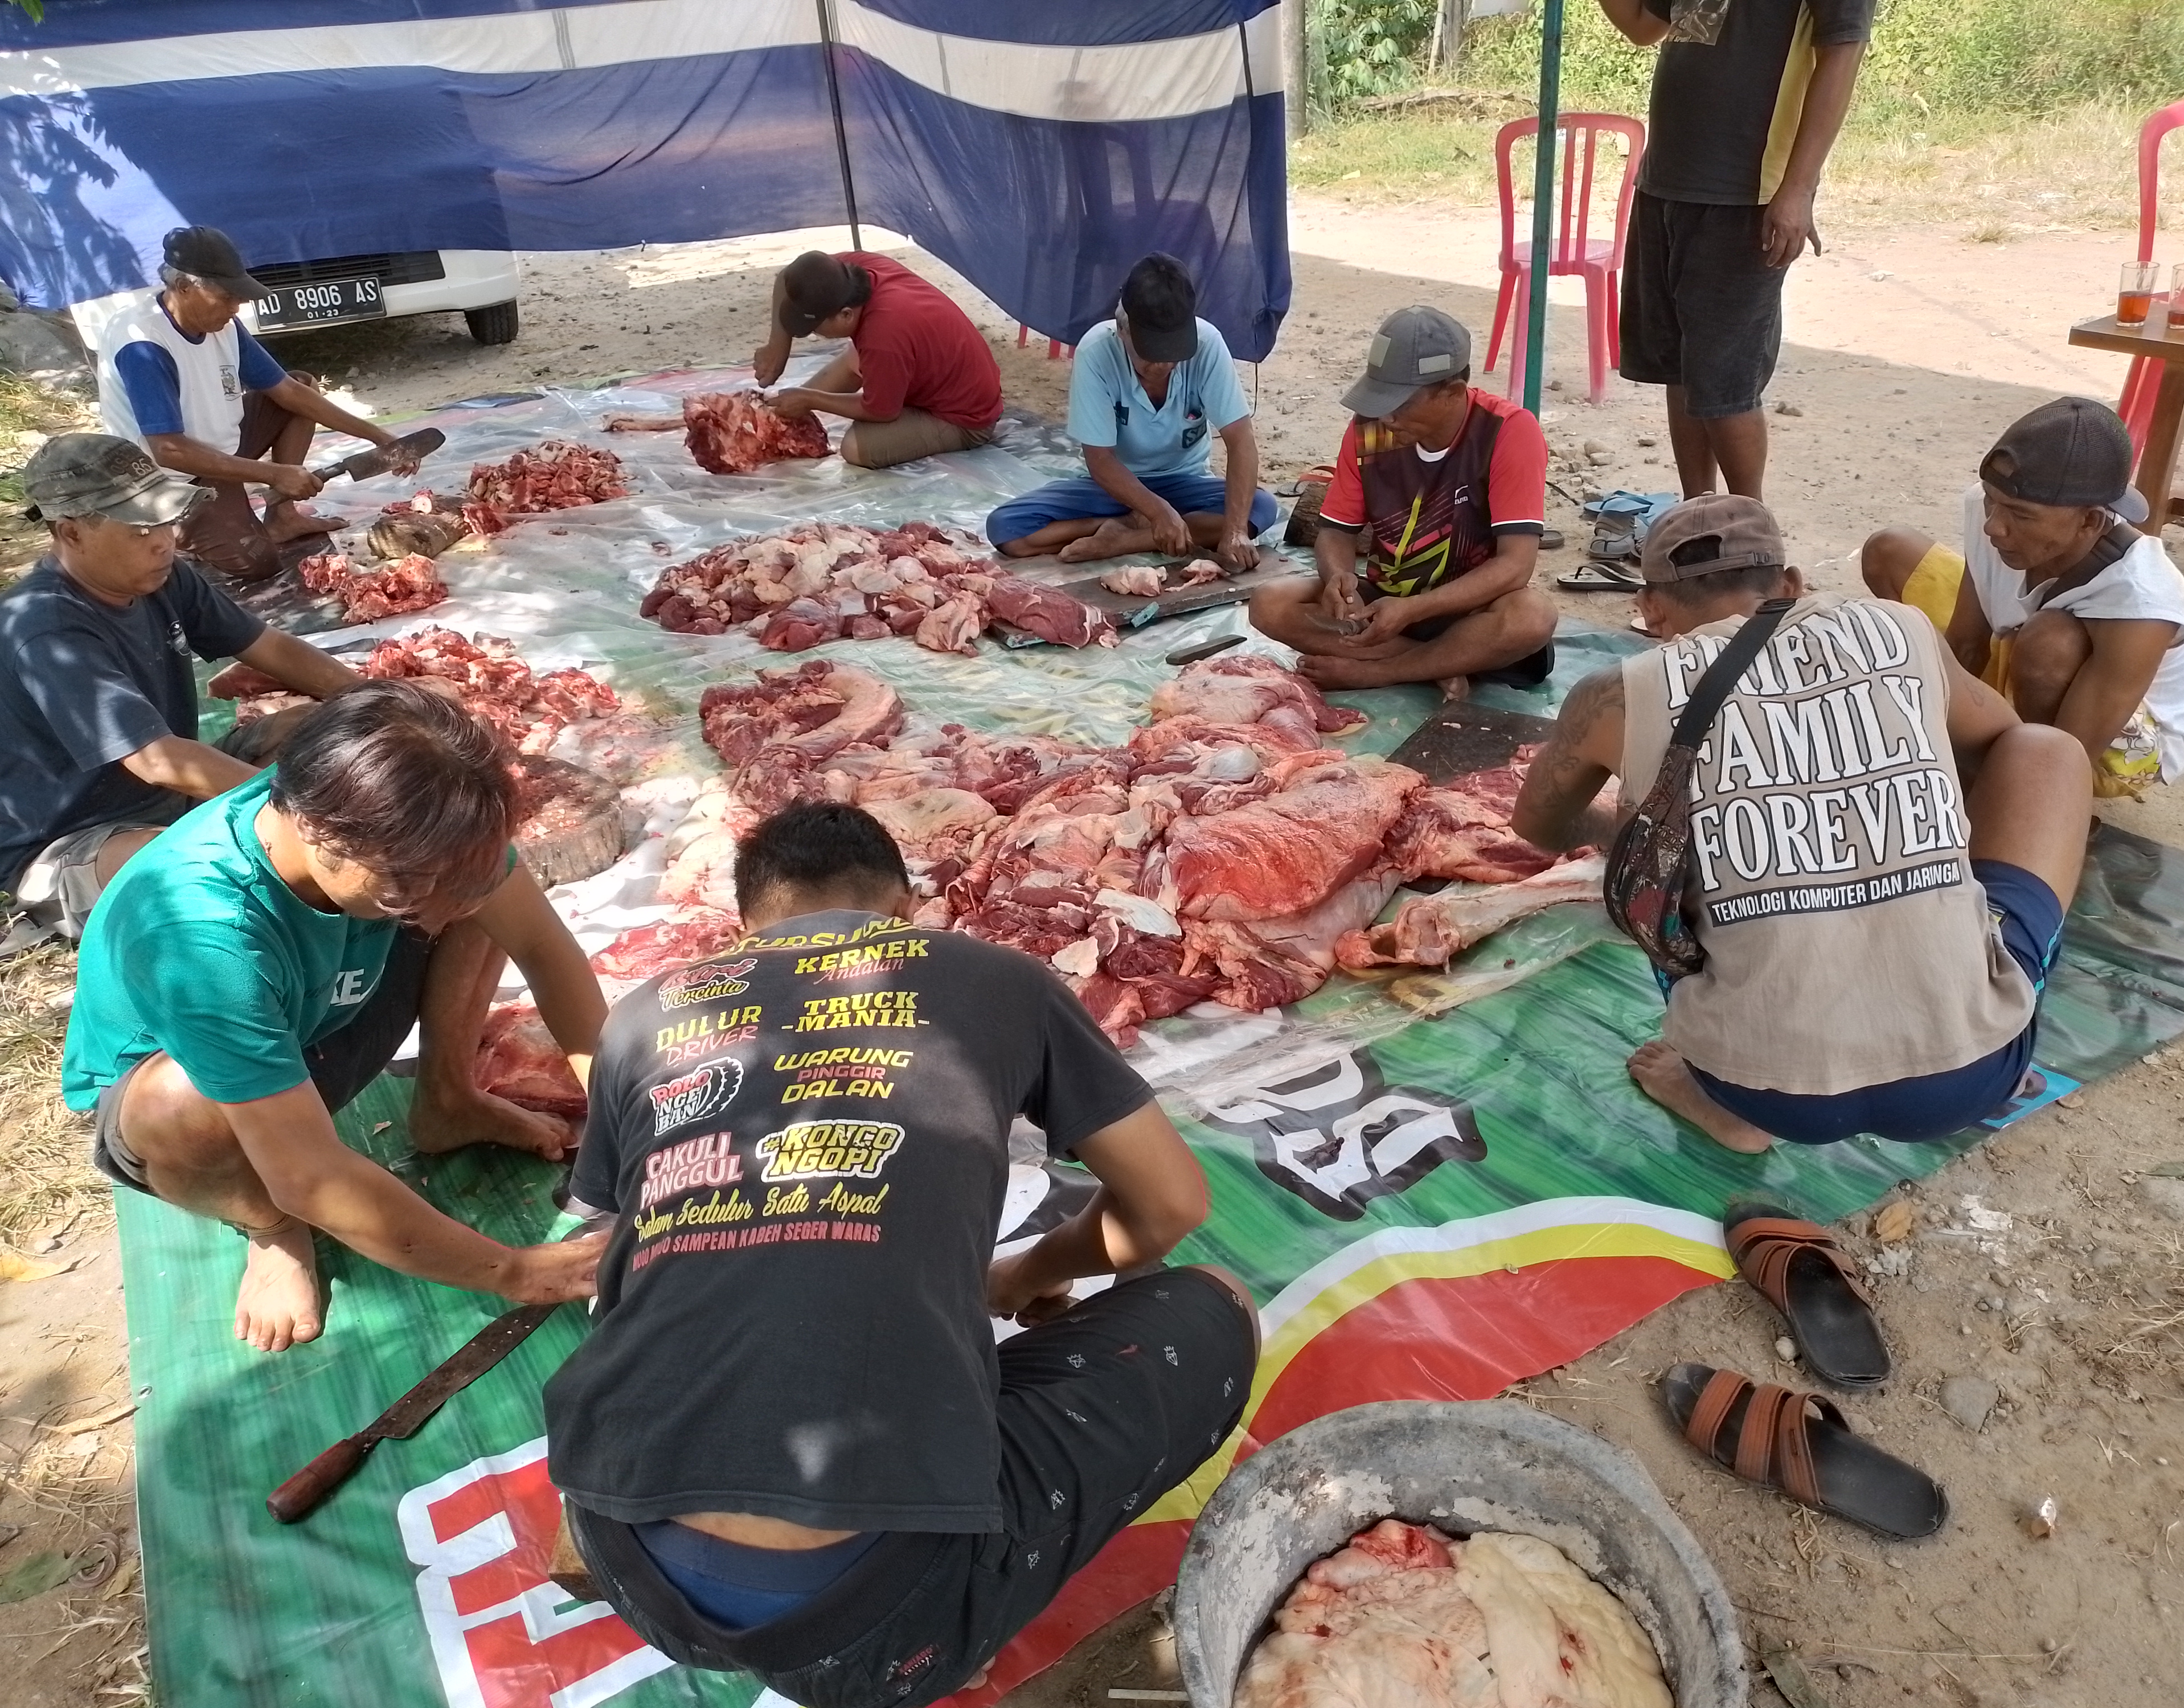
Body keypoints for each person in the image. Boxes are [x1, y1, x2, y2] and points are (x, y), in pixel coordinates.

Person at [544, 803, 1256, 1707]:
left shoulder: (648, 1013)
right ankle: (961, 1627)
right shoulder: (998, 978)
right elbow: (1170, 1205)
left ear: (745, 929)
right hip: (875, 1625)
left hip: (619, 1546)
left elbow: (612, 1241)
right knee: (1218, 1302)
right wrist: (1030, 1274)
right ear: (908, 909)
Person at [1511, 495, 2092, 1153]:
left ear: (1650, 609)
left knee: (1655, 861)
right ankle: (1977, 992)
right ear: (1790, 584)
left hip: (1756, 1086)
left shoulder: (1613, 694)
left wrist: (1641, 831)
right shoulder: (1898, 628)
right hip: (1969, 1079)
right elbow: (2002, 742)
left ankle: (1714, 1100)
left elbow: (1540, 825)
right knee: (2051, 752)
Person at [61, 683, 610, 1350]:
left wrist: (623, 1122)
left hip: (323, 1019)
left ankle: (447, 1101)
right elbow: (311, 1175)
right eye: (405, 891)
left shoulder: (400, 833)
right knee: (181, 1108)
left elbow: (545, 952)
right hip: (206, 1109)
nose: (436, 914)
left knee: (479, 895)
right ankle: (268, 1230)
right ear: (321, 837)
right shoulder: (202, 933)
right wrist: (513, 1271)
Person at [1, 434, 366, 943]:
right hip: (78, 840)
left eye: (167, 520)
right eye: (141, 528)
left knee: (340, 729)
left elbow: (270, 648)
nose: (164, 540)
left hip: (172, 800)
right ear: (71, 532)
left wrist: (376, 703)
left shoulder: (161, 577)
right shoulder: (45, 628)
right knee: (215, 875)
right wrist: (300, 811)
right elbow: (157, 761)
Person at [1861, 396, 2184, 800]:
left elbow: (2067, 754)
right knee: (1891, 552)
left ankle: (2020, 788)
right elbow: (1966, 646)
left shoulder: (2140, 600)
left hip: (2113, 745)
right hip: (2018, 654)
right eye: (1992, 500)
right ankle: (1989, 750)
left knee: (2050, 641)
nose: (1994, 527)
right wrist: (1922, 747)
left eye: (2020, 515)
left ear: (2090, 521)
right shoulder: (1994, 517)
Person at [1598, 0, 1874, 499]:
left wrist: (1797, 189)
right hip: (1667, 182)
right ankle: (1697, 519)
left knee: (1725, 387)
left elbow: (1842, 54)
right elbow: (1643, 26)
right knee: (1680, 371)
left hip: (1745, 195)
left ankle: (1753, 537)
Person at [1250, 306, 1557, 696]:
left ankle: (1380, 671)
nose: (1387, 418)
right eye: (1380, 400)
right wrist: (1338, 578)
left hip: (1467, 612)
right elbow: (1335, 531)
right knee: (1268, 603)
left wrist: (1412, 610)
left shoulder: (1507, 431)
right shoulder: (1368, 428)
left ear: (1452, 393)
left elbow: (1516, 566)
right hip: (1384, 603)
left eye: (1400, 403)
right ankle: (1434, 664)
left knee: (1532, 617)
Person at [94, 225, 427, 582]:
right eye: (226, 297)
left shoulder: (224, 325)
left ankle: (283, 517)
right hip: (173, 477)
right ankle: (180, 526)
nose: (236, 307)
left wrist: (378, 437)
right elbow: (169, 450)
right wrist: (275, 474)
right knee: (255, 562)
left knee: (303, 386)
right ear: (184, 287)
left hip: (220, 449)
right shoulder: (144, 345)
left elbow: (288, 391)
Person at [985, 253, 1274, 564]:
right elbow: (1100, 460)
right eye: (1151, 353)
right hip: (1115, 488)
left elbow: (1241, 440)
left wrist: (1234, 532)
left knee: (1260, 510)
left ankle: (1127, 539)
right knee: (1007, 530)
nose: (1164, 364)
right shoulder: (1096, 351)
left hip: (1185, 482)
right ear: (1123, 331)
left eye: (1174, 352)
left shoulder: (1208, 344)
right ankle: (1117, 526)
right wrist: (1157, 512)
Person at [752, 251, 1002, 469]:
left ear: (846, 315)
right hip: (928, 371)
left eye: (817, 328)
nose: (816, 334)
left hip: (965, 419)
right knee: (793, 405)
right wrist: (778, 346)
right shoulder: (849, 270)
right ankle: (777, 421)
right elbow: (788, 277)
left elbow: (881, 411)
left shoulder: (882, 335)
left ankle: (799, 406)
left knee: (856, 448)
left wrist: (812, 400)